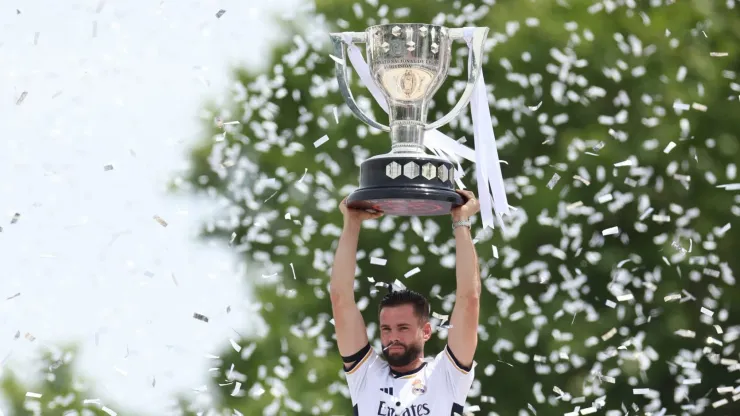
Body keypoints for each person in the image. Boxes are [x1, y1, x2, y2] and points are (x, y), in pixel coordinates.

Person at [329, 190, 482, 416]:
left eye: (403, 328)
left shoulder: (446, 375)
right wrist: (351, 223)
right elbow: (340, 299)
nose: (393, 337)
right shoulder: (366, 375)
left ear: (427, 330)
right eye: (386, 329)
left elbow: (469, 300)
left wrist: (461, 220)